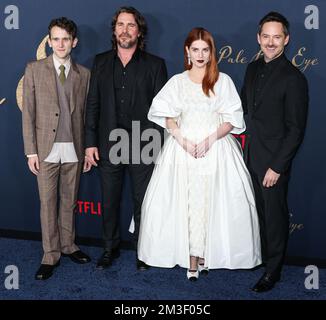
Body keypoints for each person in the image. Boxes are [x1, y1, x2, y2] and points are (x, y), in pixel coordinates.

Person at [138, 27, 261, 281]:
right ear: (187, 51)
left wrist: (210, 139)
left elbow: (232, 119)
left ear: (211, 52)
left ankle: (207, 255)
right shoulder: (177, 82)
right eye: (196, 49)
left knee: (211, 201)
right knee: (188, 202)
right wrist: (182, 140)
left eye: (205, 50)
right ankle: (190, 259)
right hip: (182, 149)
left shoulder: (222, 81)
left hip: (215, 148)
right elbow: (167, 116)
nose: (200, 55)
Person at [85, 6, 167, 270]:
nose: (125, 30)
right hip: (109, 143)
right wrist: (90, 143)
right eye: (120, 25)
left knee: (143, 201)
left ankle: (143, 251)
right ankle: (110, 248)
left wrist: (158, 146)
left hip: (144, 144)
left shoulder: (155, 65)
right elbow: (93, 105)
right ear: (114, 30)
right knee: (109, 200)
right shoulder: (100, 62)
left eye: (131, 25)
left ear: (139, 30)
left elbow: (161, 111)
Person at [241, 12, 308, 292]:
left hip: (273, 164)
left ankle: (273, 271)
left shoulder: (294, 78)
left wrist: (277, 167)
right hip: (250, 157)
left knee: (275, 217)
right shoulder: (252, 69)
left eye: (276, 37)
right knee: (259, 214)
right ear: (258, 38)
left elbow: (295, 130)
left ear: (286, 39)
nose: (270, 42)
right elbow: (245, 111)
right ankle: (265, 258)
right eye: (265, 36)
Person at [22, 17, 91, 280]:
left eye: (65, 39)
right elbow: (28, 114)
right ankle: (50, 255)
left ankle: (68, 245)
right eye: (56, 39)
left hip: (74, 148)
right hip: (45, 149)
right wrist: (31, 151)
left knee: (69, 202)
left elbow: (85, 116)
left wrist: (86, 150)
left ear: (74, 42)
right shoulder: (34, 69)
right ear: (49, 42)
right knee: (48, 202)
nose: (60, 44)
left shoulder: (84, 74)